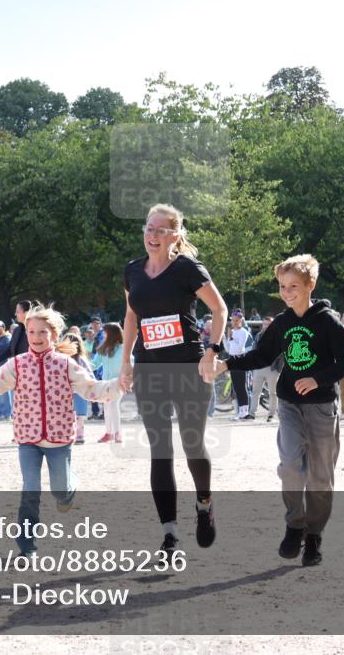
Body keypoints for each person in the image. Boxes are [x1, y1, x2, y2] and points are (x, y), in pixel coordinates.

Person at [211, 254, 344, 566]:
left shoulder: (327, 321)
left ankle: (314, 535)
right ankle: (295, 525)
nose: (286, 292)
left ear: (310, 285)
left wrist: (317, 379)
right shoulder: (283, 323)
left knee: (320, 478)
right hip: (289, 404)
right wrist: (227, 364)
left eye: (293, 286)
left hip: (322, 407)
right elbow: (262, 355)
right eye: (282, 287)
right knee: (290, 466)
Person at [118, 203, 227, 558]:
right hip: (149, 369)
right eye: (149, 228)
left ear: (175, 235)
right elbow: (131, 317)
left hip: (188, 368)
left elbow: (219, 309)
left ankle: (204, 503)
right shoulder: (132, 271)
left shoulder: (187, 269)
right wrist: (126, 362)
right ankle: (170, 535)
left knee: (193, 444)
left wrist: (212, 351)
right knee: (160, 450)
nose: (152, 236)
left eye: (161, 230)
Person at [0, 305, 122, 555]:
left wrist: (119, 385)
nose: (36, 337)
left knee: (60, 491)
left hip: (59, 440)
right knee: (30, 488)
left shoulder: (66, 364)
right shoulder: (17, 364)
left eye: (42, 332)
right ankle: (27, 546)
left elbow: (92, 389)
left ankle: (69, 486)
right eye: (31, 332)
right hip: (27, 439)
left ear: (54, 334)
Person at [92, 322, 127, 443]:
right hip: (105, 383)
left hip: (118, 382)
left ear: (112, 334)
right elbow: (95, 364)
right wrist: (83, 365)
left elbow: (130, 362)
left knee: (113, 405)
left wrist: (126, 378)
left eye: (105, 333)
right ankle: (109, 433)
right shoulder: (103, 348)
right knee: (107, 407)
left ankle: (117, 433)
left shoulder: (124, 348)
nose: (103, 335)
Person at [248, 316, 280, 422]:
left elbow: (282, 354)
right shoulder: (258, 336)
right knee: (255, 392)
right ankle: (251, 414)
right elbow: (253, 351)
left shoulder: (278, 336)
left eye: (269, 324)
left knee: (273, 393)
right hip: (259, 368)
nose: (267, 326)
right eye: (265, 324)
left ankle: (271, 415)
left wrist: (278, 368)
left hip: (272, 369)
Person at [225, 310, 252, 420]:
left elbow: (240, 348)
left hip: (240, 359)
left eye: (237, 320)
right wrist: (224, 338)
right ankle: (240, 411)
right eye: (233, 320)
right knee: (236, 387)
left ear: (241, 320)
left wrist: (231, 338)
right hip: (232, 359)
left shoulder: (243, 332)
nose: (234, 322)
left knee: (242, 386)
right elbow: (228, 349)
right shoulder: (232, 331)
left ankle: (245, 412)